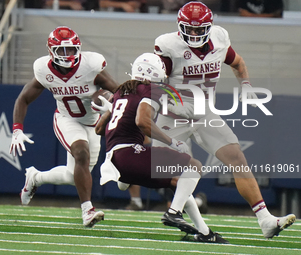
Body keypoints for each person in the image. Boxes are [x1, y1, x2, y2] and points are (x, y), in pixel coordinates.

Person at [152, 1, 295, 239]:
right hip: (173, 115)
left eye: (200, 29)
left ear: (210, 26)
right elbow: (155, 84)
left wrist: (246, 86)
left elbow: (238, 63)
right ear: (180, 26)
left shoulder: (219, 38)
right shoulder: (169, 46)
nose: (195, 34)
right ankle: (194, 217)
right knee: (166, 173)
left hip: (205, 112)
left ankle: (266, 220)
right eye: (191, 29)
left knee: (237, 158)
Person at [94, 52, 228, 243]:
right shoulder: (150, 89)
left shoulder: (120, 91)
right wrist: (171, 141)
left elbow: (99, 129)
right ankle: (173, 213)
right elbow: (142, 121)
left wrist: (109, 110)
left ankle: (205, 233)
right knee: (194, 166)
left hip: (115, 158)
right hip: (129, 154)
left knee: (179, 183)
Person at [9, 26, 119, 228]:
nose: (67, 55)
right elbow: (23, 98)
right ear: (51, 51)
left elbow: (117, 90)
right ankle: (87, 211)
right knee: (81, 154)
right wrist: (17, 128)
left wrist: (109, 101)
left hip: (93, 122)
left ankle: (36, 177)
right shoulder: (44, 70)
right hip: (67, 119)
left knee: (72, 175)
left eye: (71, 49)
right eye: (62, 50)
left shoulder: (91, 65)